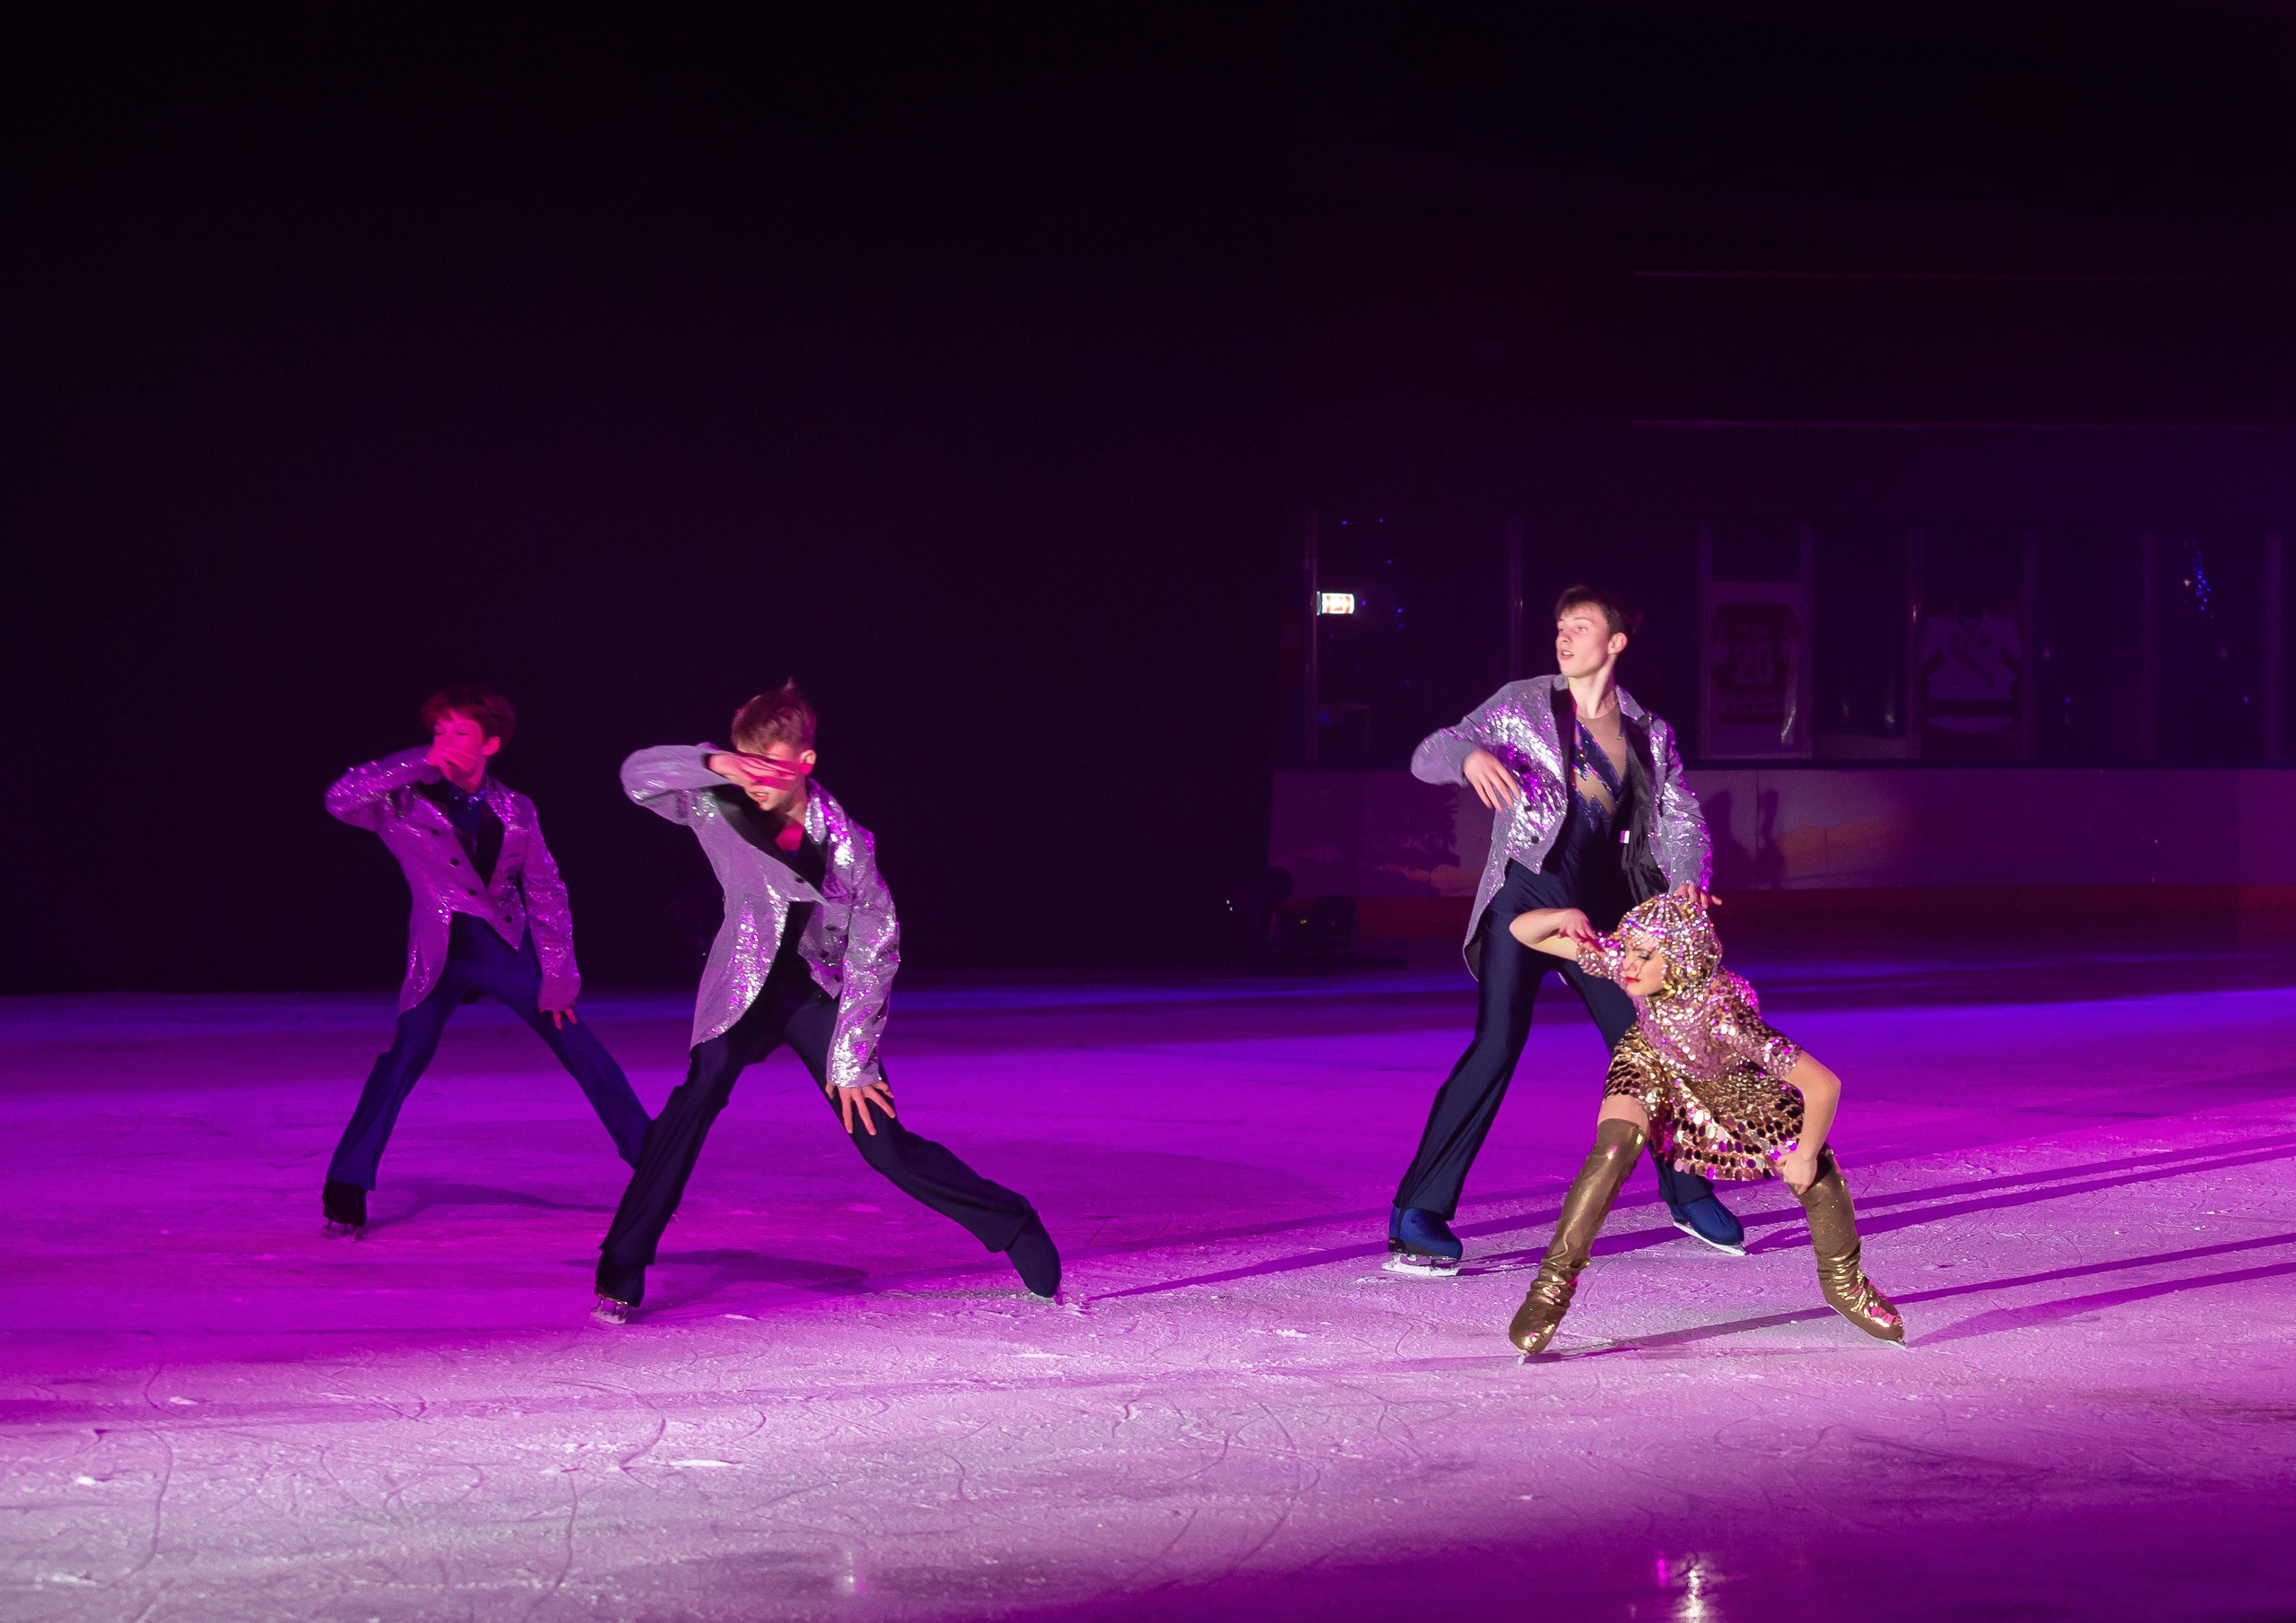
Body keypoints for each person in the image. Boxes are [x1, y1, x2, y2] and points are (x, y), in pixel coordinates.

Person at [591, 681, 1057, 1323]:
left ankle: (1012, 1222)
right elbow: (636, 776)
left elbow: (878, 946)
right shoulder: (716, 796)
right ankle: (622, 1264)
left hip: (819, 994)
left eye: (771, 768)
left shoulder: (846, 843)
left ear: (805, 762)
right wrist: (716, 763)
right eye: (746, 763)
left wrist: (853, 1059)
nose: (757, 782)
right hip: (742, 990)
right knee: (692, 1104)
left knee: (881, 1141)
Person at [1388, 586, 1744, 1276]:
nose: (1564, 636)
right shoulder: (1523, 702)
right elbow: (1433, 749)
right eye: (1559, 626)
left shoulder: (1649, 730)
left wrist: (1688, 878)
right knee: (1497, 1042)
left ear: (1615, 642)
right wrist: (1466, 758)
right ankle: (1417, 1211)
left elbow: (1679, 817)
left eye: (1580, 626)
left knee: (1648, 1046)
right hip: (1523, 898)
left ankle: (1687, 1191)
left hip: (1601, 911)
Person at [1500, 889, 1904, 1352]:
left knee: (1820, 1179)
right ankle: (1550, 1290)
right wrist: (1565, 914)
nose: (1627, 964)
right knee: (1613, 1148)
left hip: (1733, 1087)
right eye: (1628, 949)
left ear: (1679, 960)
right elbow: (1524, 932)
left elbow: (1823, 1085)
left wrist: (1807, 1154)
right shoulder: (1630, 963)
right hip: (1650, 1060)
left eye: (1643, 955)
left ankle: (1843, 1283)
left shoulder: (1725, 1018)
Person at [320, 685, 648, 1237]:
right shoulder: (400, 797)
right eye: (439, 731)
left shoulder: (516, 809)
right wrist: (414, 762)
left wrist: (559, 975)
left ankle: (650, 1159)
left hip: (505, 945)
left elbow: (545, 890)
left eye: (460, 733)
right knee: (405, 1057)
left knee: (578, 1042)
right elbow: (340, 796)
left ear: (490, 744)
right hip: (439, 952)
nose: (445, 742)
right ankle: (347, 1184)